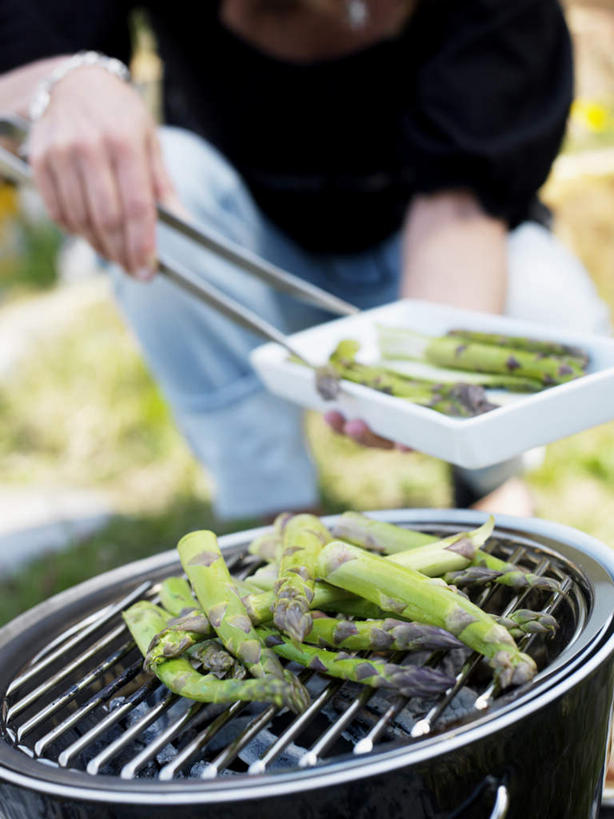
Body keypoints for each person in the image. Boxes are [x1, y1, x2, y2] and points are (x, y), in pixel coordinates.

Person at [0, 0, 609, 520]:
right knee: (167, 178)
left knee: (546, 304)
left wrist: (423, 393)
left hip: (431, 257)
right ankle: (274, 510)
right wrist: (65, 81)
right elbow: (32, 32)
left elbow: (460, 208)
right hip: (243, 260)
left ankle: (487, 482)